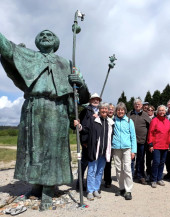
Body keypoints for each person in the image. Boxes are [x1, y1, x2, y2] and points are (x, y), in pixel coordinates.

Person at [0, 30, 90, 210]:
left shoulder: (66, 63)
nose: (45, 36)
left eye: (49, 35)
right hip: (33, 107)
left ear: (56, 42)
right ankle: (36, 185)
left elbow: (84, 97)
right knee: (32, 148)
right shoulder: (30, 56)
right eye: (41, 35)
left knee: (51, 149)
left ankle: (49, 188)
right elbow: (8, 50)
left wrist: (80, 84)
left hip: (56, 109)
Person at [76, 102, 114, 201]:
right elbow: (85, 129)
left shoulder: (110, 122)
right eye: (103, 109)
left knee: (100, 171)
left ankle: (96, 189)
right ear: (100, 110)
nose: (104, 110)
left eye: (106, 109)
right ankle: (89, 191)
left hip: (104, 152)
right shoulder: (94, 120)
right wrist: (79, 125)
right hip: (94, 150)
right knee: (92, 170)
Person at [77, 93, 102, 191]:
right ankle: (80, 183)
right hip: (88, 142)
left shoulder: (101, 111)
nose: (96, 101)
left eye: (97, 99)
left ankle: (92, 184)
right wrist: (84, 141)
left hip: (98, 142)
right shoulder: (86, 111)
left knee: (95, 164)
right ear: (90, 100)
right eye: (94, 99)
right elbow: (83, 127)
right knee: (84, 163)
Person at [112, 102, 137, 200]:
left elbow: (133, 136)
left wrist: (133, 151)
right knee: (118, 169)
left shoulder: (129, 121)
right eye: (118, 110)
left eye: (122, 110)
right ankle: (121, 188)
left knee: (127, 169)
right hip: (116, 148)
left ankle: (128, 190)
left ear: (125, 111)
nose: (120, 111)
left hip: (127, 148)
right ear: (116, 111)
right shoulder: (113, 120)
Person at [147, 105, 170, 188]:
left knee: (162, 162)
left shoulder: (167, 121)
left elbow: (169, 133)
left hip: (165, 145)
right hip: (156, 145)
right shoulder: (154, 121)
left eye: (163, 110)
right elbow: (150, 133)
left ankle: (159, 178)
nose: (162, 112)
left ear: (165, 111)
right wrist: (150, 144)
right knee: (156, 162)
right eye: (160, 110)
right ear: (157, 112)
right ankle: (153, 179)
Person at [127, 98, 151, 185]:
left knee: (140, 159)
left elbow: (151, 125)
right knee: (131, 159)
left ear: (141, 106)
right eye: (136, 104)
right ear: (134, 105)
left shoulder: (145, 114)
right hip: (131, 141)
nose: (137, 105)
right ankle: (131, 175)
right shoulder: (129, 114)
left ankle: (140, 175)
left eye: (139, 104)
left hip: (141, 141)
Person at [103, 103, 115, 188]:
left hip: (116, 144)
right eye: (109, 109)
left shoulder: (116, 119)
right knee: (107, 163)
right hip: (107, 144)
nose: (110, 110)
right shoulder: (104, 119)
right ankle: (107, 180)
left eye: (112, 109)